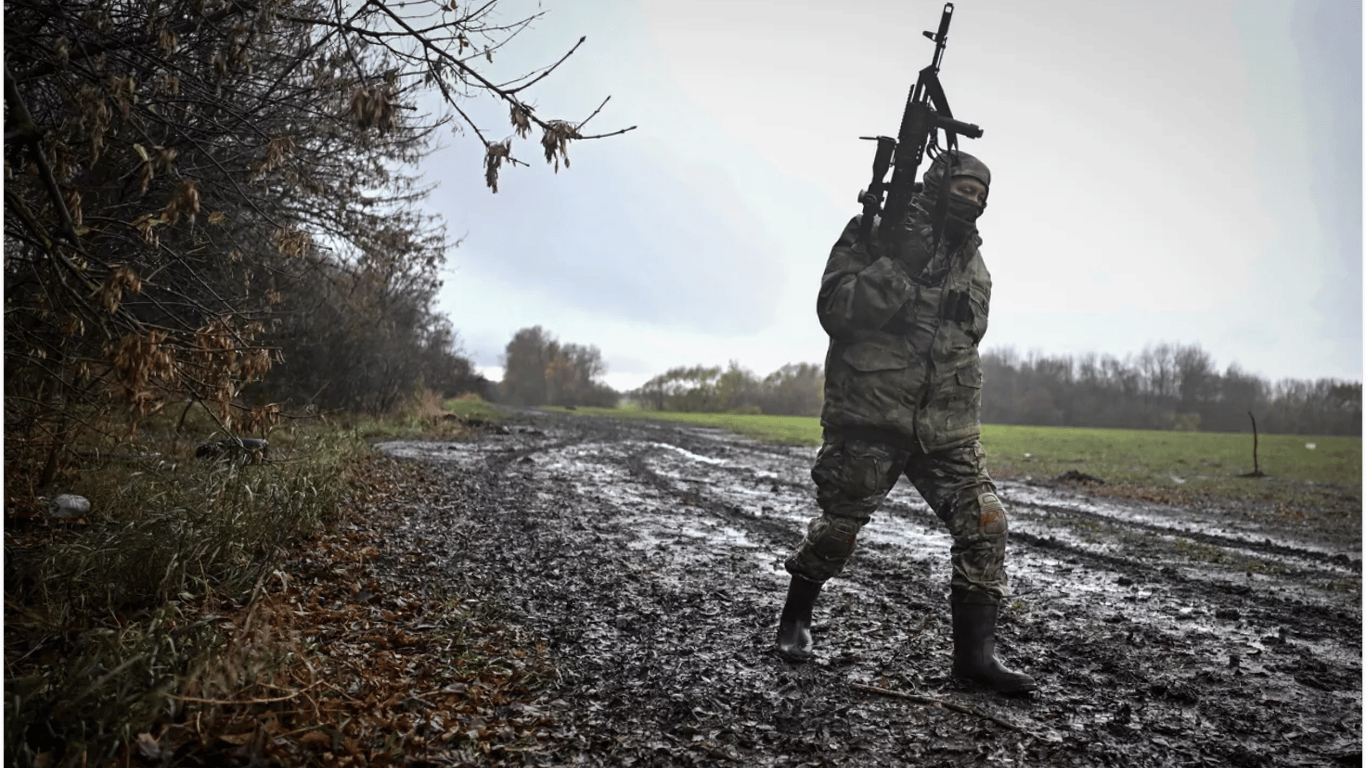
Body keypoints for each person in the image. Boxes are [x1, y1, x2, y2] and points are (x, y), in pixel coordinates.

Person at [775, 150, 1036, 694]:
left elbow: (967, 337)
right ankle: (795, 620)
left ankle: (975, 659)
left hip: (947, 427)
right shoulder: (876, 231)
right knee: (837, 531)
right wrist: (900, 266)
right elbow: (837, 311)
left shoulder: (974, 261)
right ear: (936, 184)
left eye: (981, 195)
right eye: (963, 189)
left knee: (987, 523)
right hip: (872, 414)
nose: (973, 201)